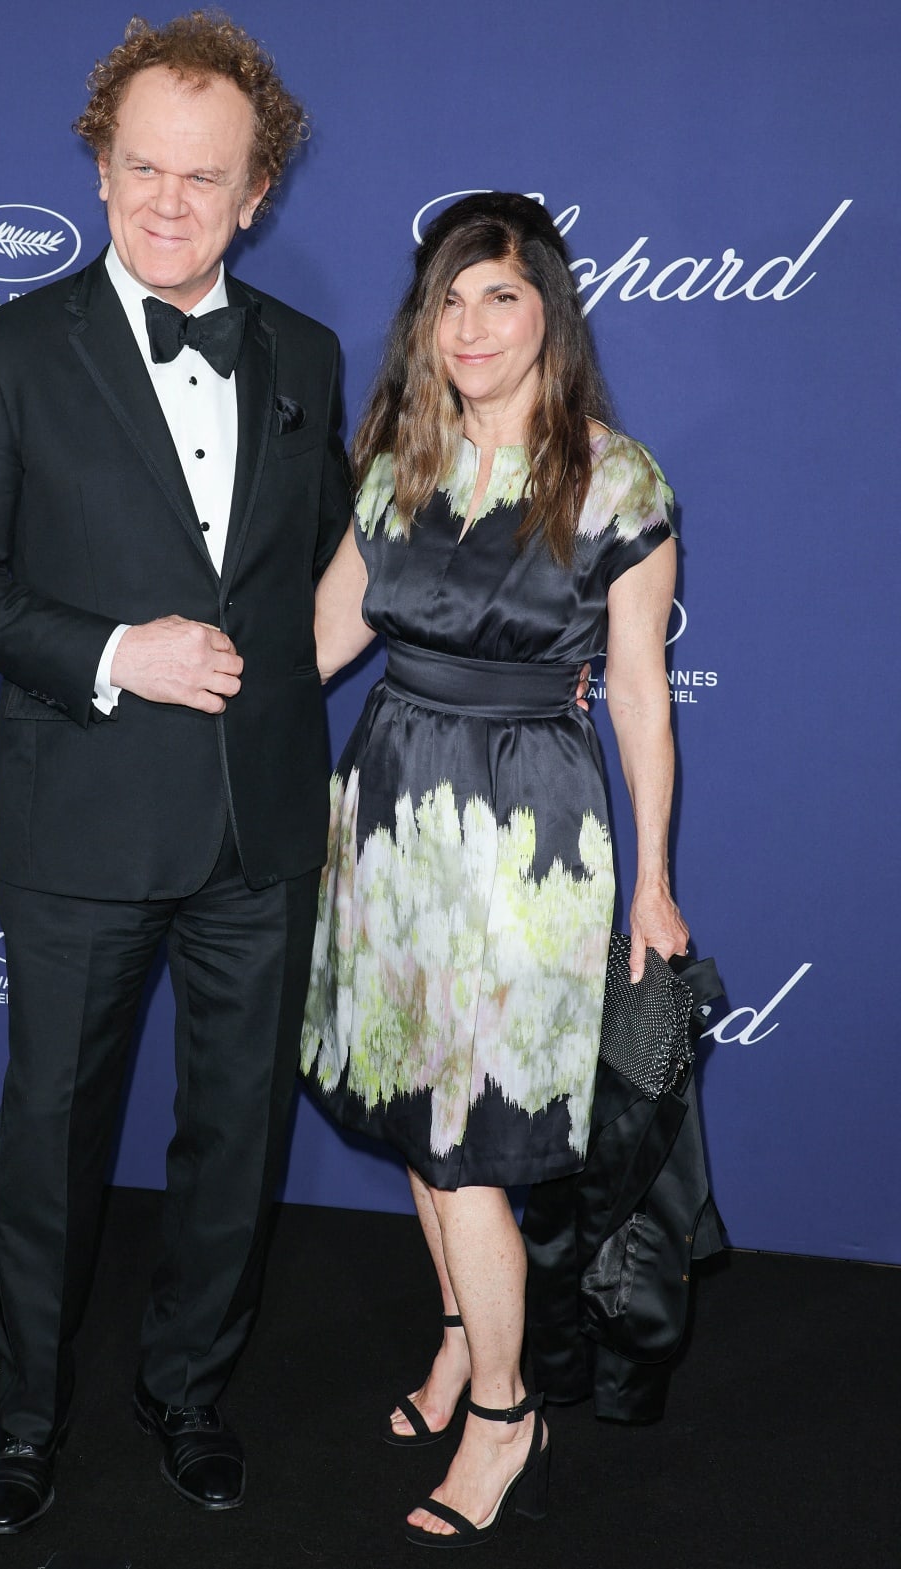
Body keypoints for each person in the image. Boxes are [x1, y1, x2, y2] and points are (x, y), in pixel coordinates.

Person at [0, 12, 350, 1534]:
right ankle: (28, 1415)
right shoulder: (4, 351)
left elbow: (325, 578)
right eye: (143, 167)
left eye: (205, 176)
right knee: (53, 1136)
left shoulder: (305, 352)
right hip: (83, 821)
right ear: (100, 169)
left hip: (262, 826)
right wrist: (114, 650)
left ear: (257, 191)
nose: (170, 201)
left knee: (237, 1135)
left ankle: (189, 1391)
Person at [302, 191, 689, 1548]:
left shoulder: (615, 478)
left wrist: (650, 884)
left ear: (549, 317)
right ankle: (468, 1334)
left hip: (528, 839)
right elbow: (321, 646)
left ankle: (506, 1415)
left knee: (472, 1149)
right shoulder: (399, 457)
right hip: (393, 818)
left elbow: (640, 696)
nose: (469, 326)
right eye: (448, 299)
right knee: (419, 1112)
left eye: (500, 297)